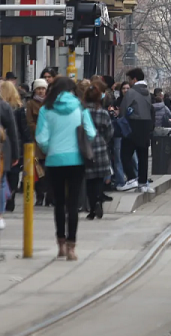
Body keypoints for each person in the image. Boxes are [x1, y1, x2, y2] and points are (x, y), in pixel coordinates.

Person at [35, 77, 97, 261]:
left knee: (59, 203)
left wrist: (50, 150)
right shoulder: (80, 107)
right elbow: (92, 133)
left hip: (54, 161)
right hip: (76, 160)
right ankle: (72, 246)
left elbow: (41, 138)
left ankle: (60, 244)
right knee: (73, 204)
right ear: (72, 90)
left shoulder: (46, 109)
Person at [118, 68, 155, 193]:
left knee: (125, 154)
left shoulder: (131, 92)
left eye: (130, 79)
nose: (129, 82)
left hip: (133, 125)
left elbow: (123, 109)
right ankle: (143, 183)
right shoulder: (148, 93)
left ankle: (132, 178)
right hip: (145, 126)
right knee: (143, 155)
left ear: (134, 79)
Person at [83, 80, 114, 220]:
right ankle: (99, 201)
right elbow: (110, 131)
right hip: (100, 147)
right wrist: (103, 141)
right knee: (99, 179)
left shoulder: (82, 112)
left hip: (85, 147)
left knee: (89, 180)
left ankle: (91, 207)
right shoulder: (103, 113)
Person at [1, 80, 30, 212]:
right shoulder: (17, 108)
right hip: (11, 145)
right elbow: (17, 131)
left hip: (4, 145)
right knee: (12, 174)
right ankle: (9, 197)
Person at [26, 78, 52, 206]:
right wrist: (39, 130)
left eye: (43, 89)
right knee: (38, 170)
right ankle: (40, 196)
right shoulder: (31, 104)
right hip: (36, 140)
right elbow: (29, 121)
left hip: (50, 140)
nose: (41, 91)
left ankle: (49, 197)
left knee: (49, 171)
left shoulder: (50, 103)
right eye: (39, 89)